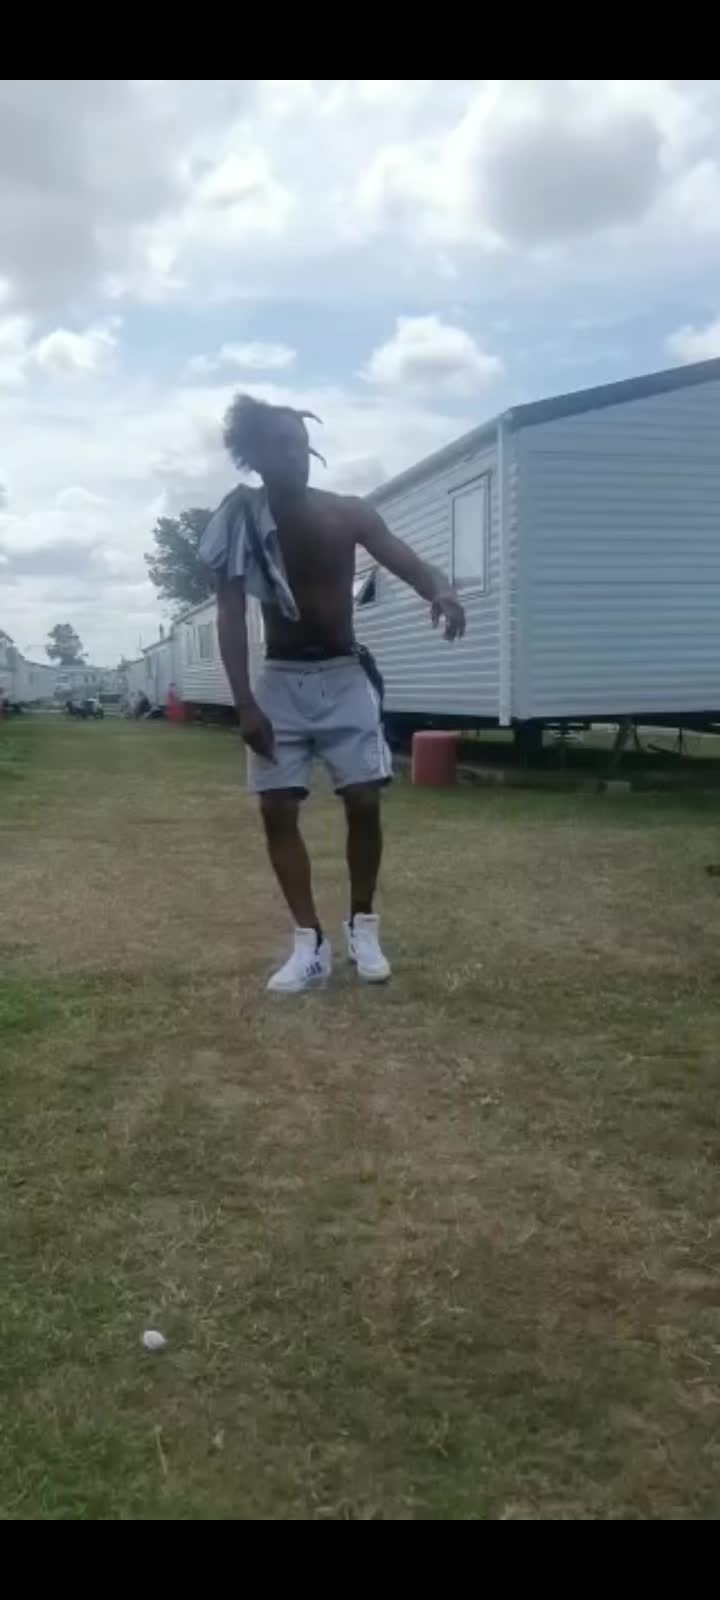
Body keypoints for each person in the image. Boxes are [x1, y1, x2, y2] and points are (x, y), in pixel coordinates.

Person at [200, 395, 466, 994]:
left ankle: (363, 926)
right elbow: (229, 611)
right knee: (276, 809)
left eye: (301, 444)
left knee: (365, 800)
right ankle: (309, 944)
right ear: (254, 457)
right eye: (281, 446)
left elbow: (408, 561)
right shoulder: (243, 520)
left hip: (345, 675)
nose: (296, 455)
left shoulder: (346, 513)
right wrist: (244, 702)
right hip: (280, 680)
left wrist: (441, 591)